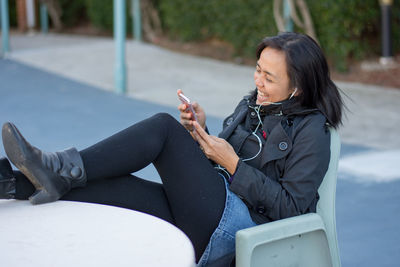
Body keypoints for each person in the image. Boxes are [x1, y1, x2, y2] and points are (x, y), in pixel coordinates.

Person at [0, 32, 343, 266]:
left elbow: (295, 209)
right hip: (211, 209)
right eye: (257, 69)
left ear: (297, 88)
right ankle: (13, 182)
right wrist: (202, 131)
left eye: (269, 78)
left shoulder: (313, 131)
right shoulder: (254, 103)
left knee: (162, 129)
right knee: (113, 186)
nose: (258, 82)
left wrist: (234, 165)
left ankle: (56, 166)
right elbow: (217, 165)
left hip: (236, 231)